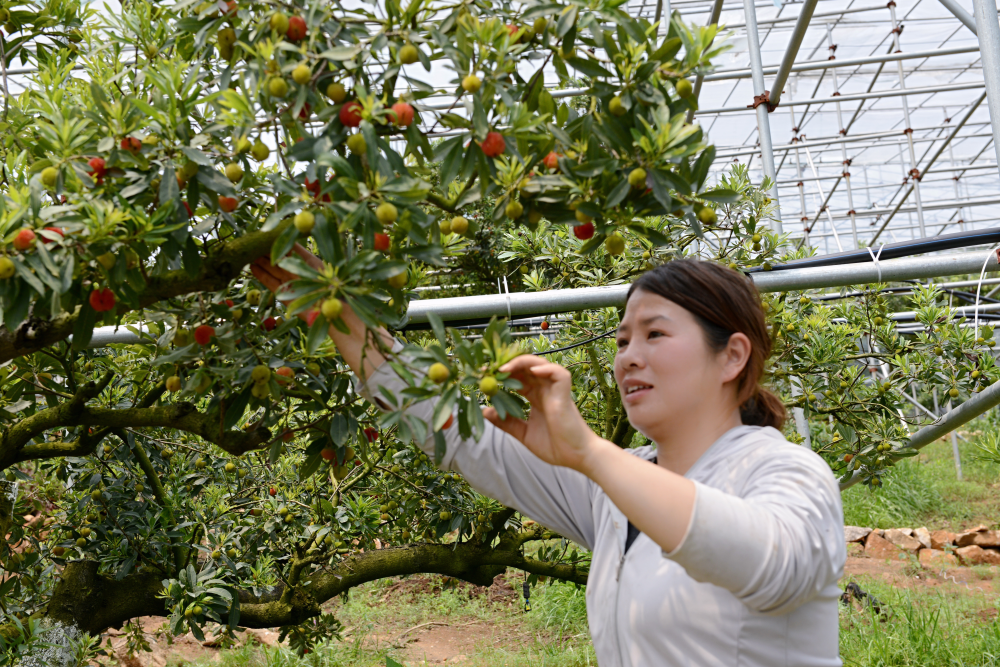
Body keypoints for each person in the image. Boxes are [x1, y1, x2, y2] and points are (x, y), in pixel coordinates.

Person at [252, 250, 846, 667]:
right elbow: (458, 430)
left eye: (655, 335)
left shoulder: (786, 473)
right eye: (620, 342)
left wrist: (590, 452)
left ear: (731, 356)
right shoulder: (615, 488)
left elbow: (774, 564)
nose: (628, 358)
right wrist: (337, 311)